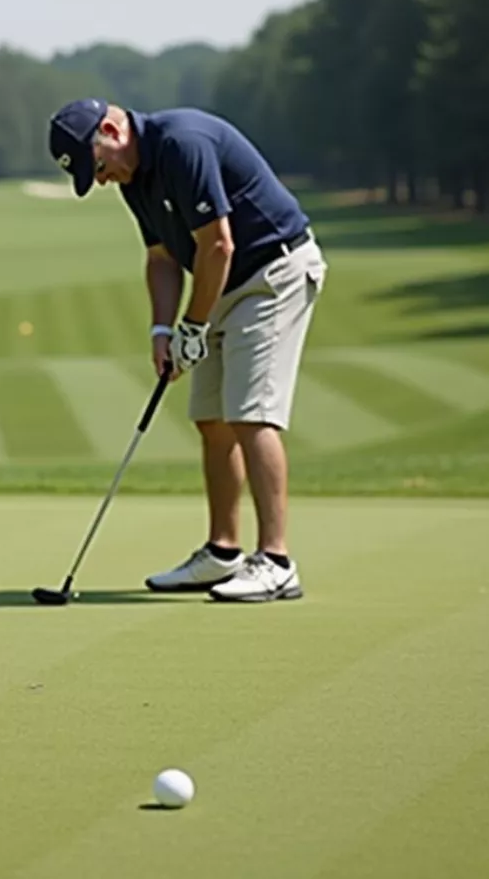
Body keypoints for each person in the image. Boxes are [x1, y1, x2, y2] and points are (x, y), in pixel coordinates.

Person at [48, 98, 327, 602]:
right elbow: (161, 256)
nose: (104, 179)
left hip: (273, 272)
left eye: (99, 166)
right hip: (223, 280)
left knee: (251, 414)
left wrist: (193, 326)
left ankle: (277, 561)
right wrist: (162, 330)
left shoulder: (181, 143)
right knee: (211, 418)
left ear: (112, 129)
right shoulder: (134, 177)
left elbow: (218, 243)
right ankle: (223, 552)